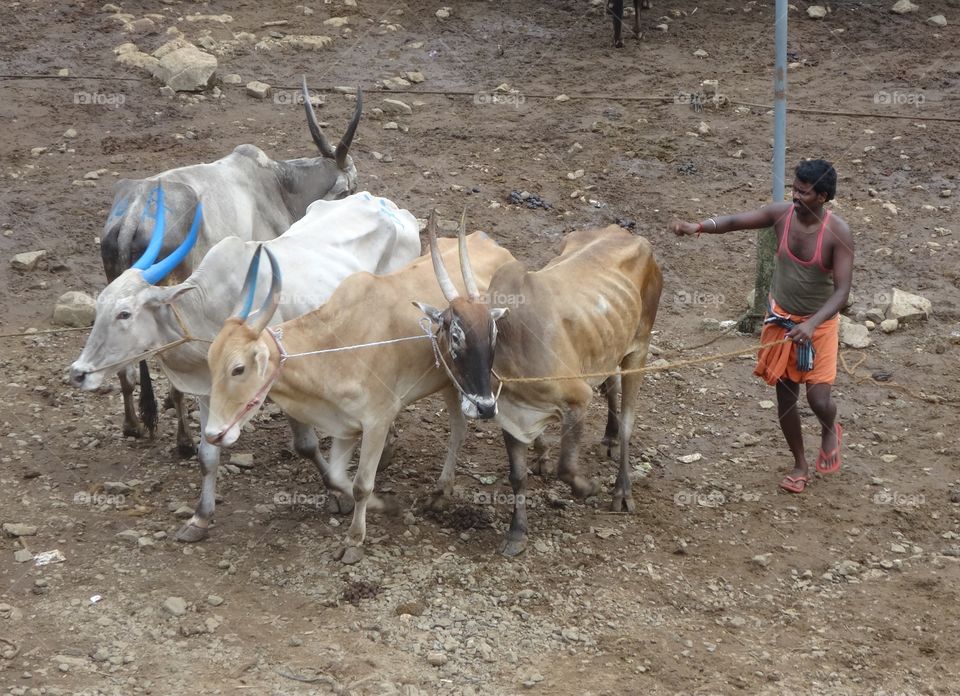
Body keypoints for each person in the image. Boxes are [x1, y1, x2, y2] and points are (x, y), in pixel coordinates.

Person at [670, 159, 853, 494]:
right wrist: (698, 227)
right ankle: (799, 464)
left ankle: (829, 428)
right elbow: (735, 222)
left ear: (823, 197)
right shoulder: (781, 215)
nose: (795, 196)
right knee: (786, 398)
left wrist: (812, 324)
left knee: (818, 398)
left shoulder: (837, 233)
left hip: (819, 326)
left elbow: (842, 292)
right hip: (782, 322)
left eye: (804, 192)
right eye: (794, 189)